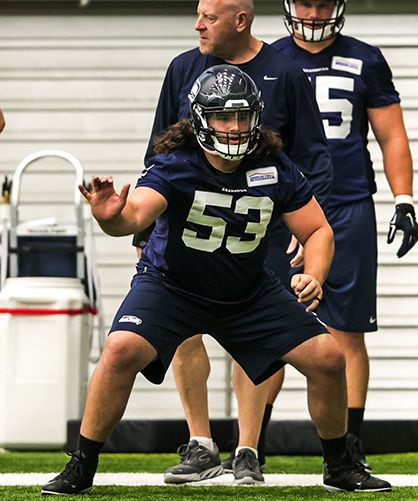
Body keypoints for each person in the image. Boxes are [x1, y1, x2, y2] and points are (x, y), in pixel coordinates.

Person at [40, 65, 391, 496]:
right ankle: (82, 464)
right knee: (119, 349)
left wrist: (314, 274)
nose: (235, 127)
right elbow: (133, 216)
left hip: (247, 291)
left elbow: (317, 230)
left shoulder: (273, 166)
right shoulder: (176, 166)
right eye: (224, 117)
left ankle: (339, 464)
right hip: (172, 286)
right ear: (200, 119)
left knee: (328, 358)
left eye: (243, 117)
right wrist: (109, 216)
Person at [140, 0, 334, 486]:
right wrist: (144, 230)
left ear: (239, 20)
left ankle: (249, 447)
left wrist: (303, 227)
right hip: (189, 217)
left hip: (260, 221)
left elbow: (312, 156)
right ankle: (201, 444)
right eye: (198, 14)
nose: (198, 24)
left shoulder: (285, 72)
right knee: (184, 327)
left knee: (262, 335)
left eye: (209, 16)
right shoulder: (183, 67)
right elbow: (159, 147)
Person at [228, 0, 418, 473]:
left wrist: (404, 199)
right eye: (306, 2)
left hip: (347, 203)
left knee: (347, 330)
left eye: (324, 2)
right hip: (279, 206)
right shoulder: (266, 59)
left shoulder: (366, 59)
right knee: (260, 328)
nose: (314, 12)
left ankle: (349, 447)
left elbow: (391, 135)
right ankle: (250, 447)